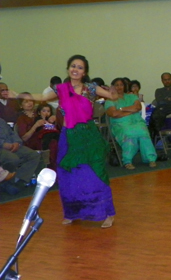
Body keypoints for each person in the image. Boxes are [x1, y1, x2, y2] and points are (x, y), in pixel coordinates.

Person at [37, 55, 118, 228]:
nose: (76, 69)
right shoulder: (61, 89)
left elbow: (113, 96)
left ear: (85, 72)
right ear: (68, 69)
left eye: (80, 67)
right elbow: (42, 98)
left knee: (94, 174)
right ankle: (72, 213)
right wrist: (16, 94)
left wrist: (113, 90)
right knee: (69, 175)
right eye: (73, 66)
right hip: (68, 136)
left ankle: (107, 213)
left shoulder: (91, 88)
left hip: (88, 136)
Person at [105, 78, 157, 170]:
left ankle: (150, 159)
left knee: (143, 132)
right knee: (129, 133)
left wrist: (121, 109)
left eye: (121, 85)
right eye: (116, 85)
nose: (119, 87)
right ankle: (127, 161)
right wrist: (130, 110)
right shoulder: (110, 101)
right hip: (120, 125)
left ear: (124, 86)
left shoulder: (132, 97)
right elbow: (113, 114)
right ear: (112, 87)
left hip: (137, 122)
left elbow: (138, 107)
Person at [16, 95, 59, 170]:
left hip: (46, 137)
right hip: (32, 142)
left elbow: (49, 115)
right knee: (53, 144)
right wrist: (35, 126)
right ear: (21, 105)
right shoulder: (21, 118)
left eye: (30, 100)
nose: (29, 103)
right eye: (26, 102)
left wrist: (54, 116)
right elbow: (24, 138)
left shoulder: (38, 113)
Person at [0, 117, 44, 185]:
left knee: (34, 155)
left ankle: (18, 179)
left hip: (12, 145)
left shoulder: (1, 120)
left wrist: (17, 142)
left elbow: (12, 133)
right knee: (13, 158)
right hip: (1, 148)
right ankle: (6, 180)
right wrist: (3, 144)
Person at [150, 72, 171, 138]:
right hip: (163, 111)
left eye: (168, 79)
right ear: (162, 81)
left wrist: (168, 98)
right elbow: (160, 101)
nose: (167, 81)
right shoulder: (158, 91)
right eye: (165, 80)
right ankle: (159, 138)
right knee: (156, 117)